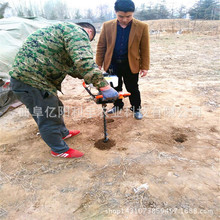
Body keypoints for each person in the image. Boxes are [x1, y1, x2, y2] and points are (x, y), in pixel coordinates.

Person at [9, 22, 118, 158]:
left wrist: (94, 80)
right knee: (48, 116)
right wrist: (104, 86)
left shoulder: (61, 31)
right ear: (89, 32)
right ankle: (59, 150)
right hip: (31, 81)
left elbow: (73, 67)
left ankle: (62, 133)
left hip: (33, 79)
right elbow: (83, 61)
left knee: (56, 107)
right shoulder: (77, 32)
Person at [96, 0, 150, 120]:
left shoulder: (142, 27)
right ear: (115, 12)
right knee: (115, 87)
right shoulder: (107, 25)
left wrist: (145, 66)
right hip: (112, 63)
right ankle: (118, 105)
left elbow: (144, 48)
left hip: (131, 64)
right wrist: (98, 63)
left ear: (133, 13)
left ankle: (136, 108)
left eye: (128, 16)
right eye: (121, 16)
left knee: (133, 88)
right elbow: (101, 45)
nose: (124, 19)